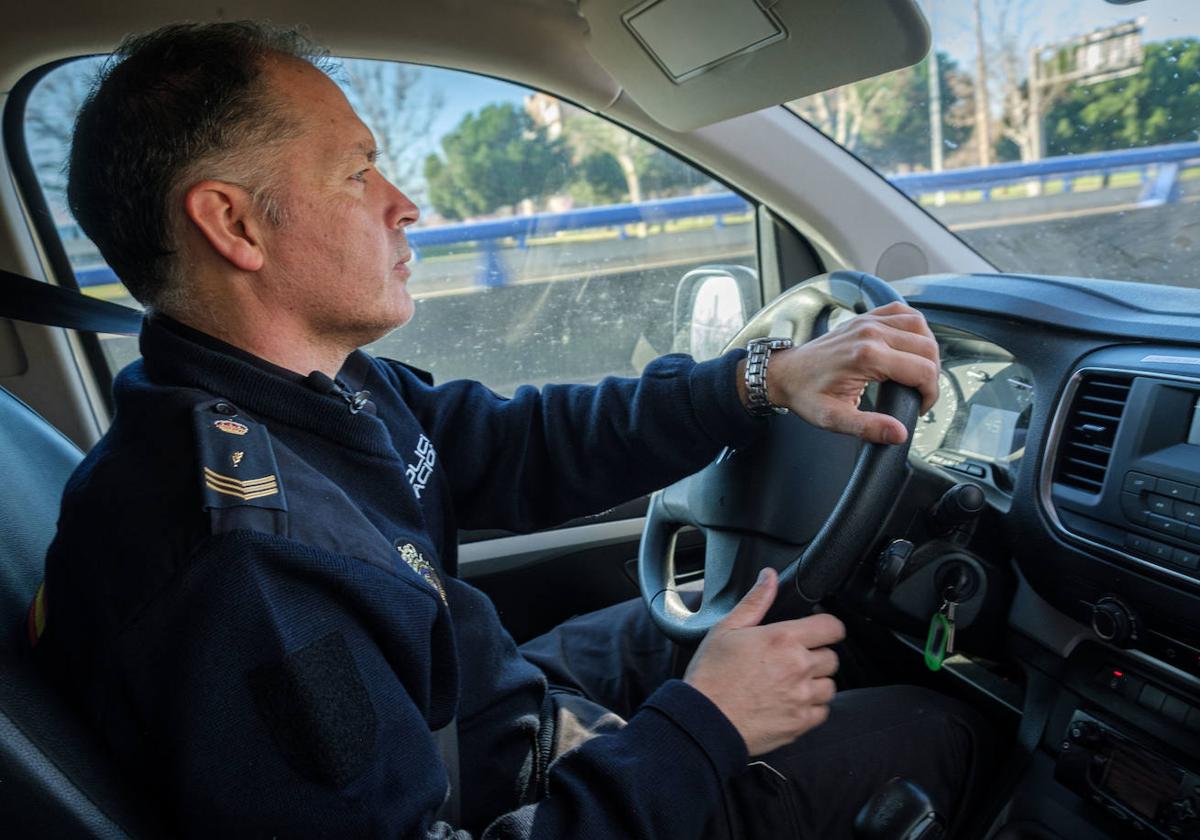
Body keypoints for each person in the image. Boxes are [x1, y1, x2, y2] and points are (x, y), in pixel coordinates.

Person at [33, 21, 985, 839]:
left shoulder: (298, 391)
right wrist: (705, 726)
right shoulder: (247, 576)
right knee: (937, 731)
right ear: (234, 225)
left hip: (485, 711)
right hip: (516, 796)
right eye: (357, 170)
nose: (403, 202)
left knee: (743, 616)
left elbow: (512, 445)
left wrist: (758, 379)